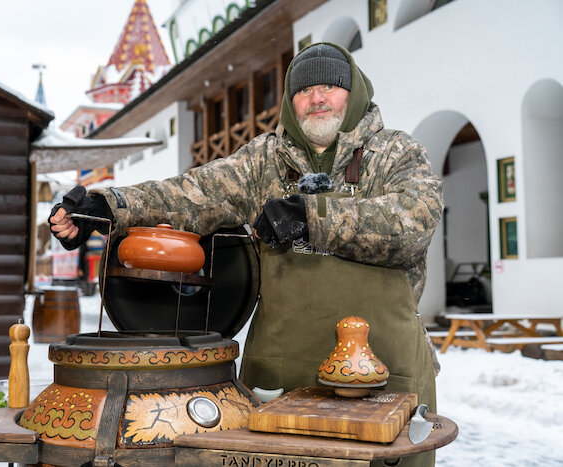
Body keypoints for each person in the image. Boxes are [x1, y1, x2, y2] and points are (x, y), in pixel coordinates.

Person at [51, 43, 443, 466]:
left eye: (330, 86)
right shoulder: (264, 162)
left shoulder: (396, 152)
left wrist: (313, 216)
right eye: (305, 90)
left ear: (354, 95)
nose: (317, 98)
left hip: (383, 370)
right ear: (291, 102)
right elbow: (192, 194)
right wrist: (108, 206)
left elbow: (415, 218)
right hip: (280, 373)